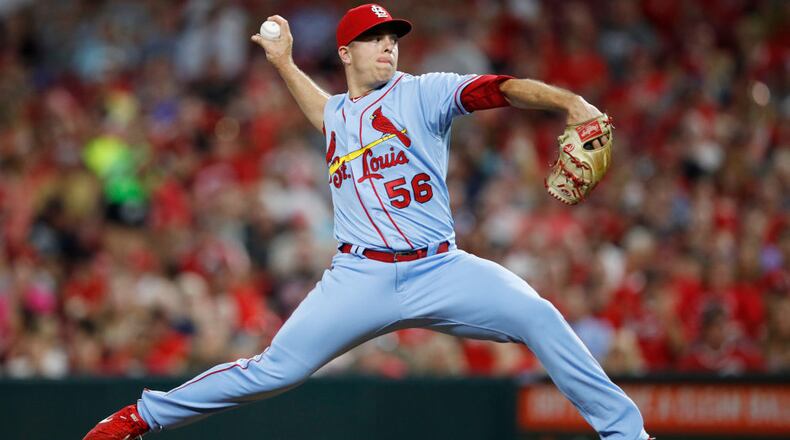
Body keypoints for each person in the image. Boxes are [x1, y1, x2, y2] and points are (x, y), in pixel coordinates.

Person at [84, 4, 652, 440]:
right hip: (359, 279)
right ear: (346, 54)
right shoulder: (337, 114)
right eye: (373, 40)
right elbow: (322, 110)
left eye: (392, 39)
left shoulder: (424, 94)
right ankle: (139, 418)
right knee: (272, 371)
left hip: (440, 266)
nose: (387, 47)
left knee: (537, 314)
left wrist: (567, 101)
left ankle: (625, 434)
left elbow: (497, 89)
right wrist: (282, 63)